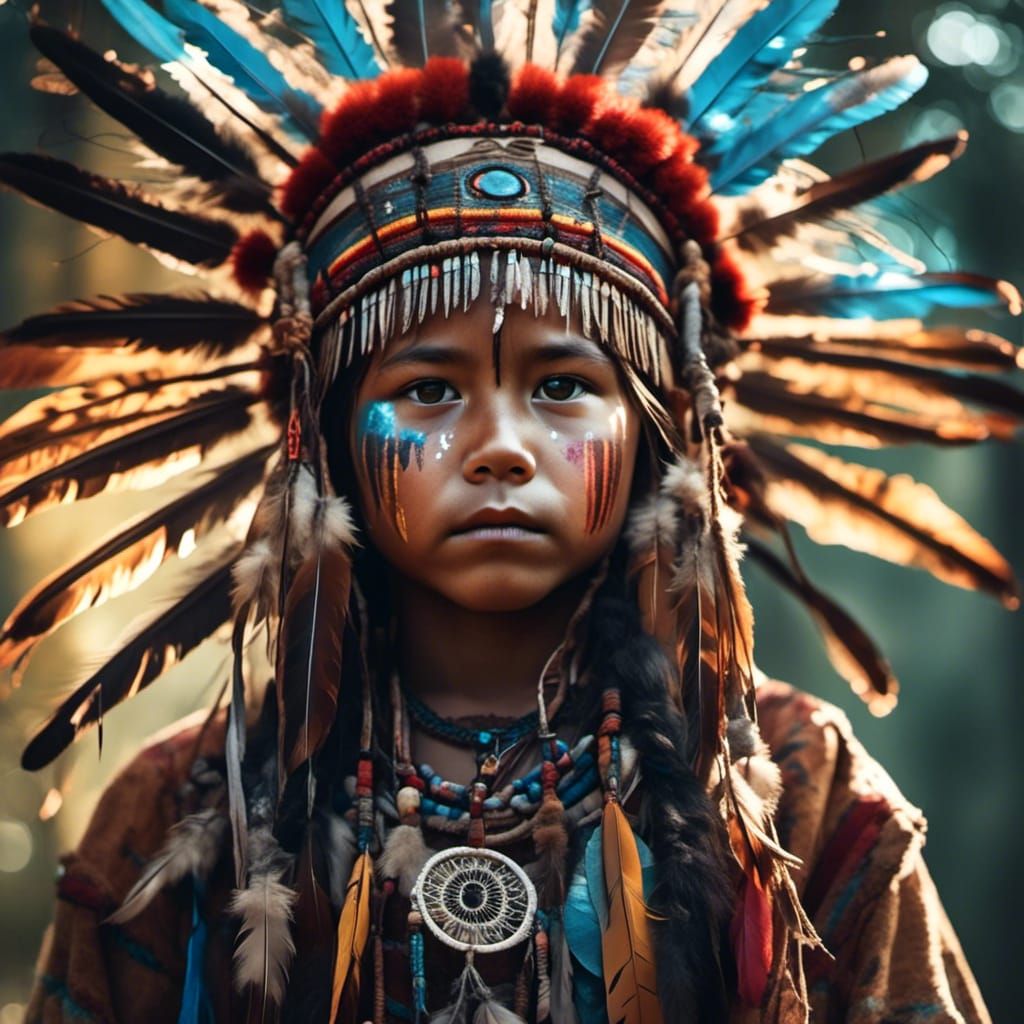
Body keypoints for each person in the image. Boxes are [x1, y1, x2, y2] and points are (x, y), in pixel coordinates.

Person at [1, 2, 1018, 1022]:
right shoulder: (185, 803)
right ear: (330, 435)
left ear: (658, 434)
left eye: (564, 385)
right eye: (429, 389)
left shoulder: (792, 787)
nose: (498, 444)